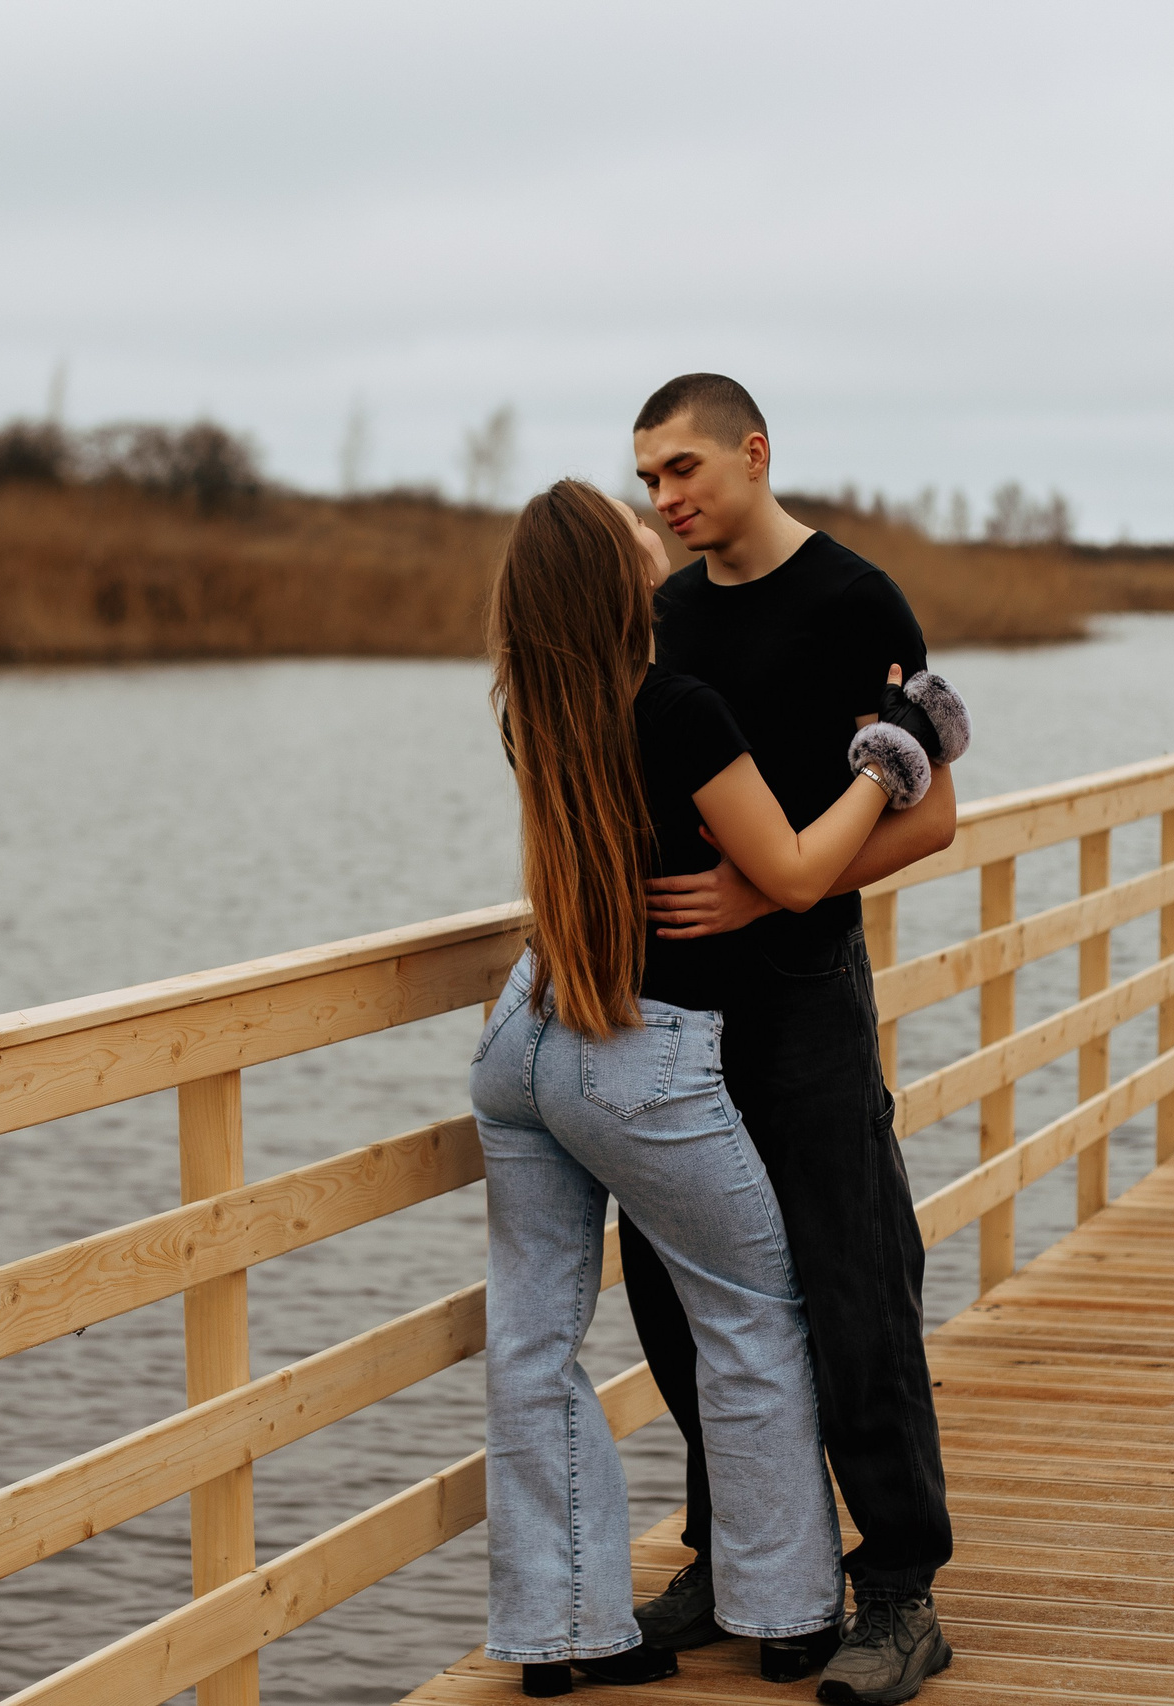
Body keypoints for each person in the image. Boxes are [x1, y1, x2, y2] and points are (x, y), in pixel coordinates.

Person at [471, 478, 946, 1697]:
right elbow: (790, 868)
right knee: (754, 1302)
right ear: (610, 577)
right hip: (633, 1048)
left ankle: (562, 1633)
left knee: (531, 1344)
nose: (654, 518)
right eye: (628, 511)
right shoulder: (674, 705)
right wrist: (892, 756)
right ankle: (787, 1611)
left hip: (527, 1035)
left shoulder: (533, 704)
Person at [624, 374, 959, 1706]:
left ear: (756, 453)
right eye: (649, 477)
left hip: (806, 993)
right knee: (681, 1285)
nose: (668, 497)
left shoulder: (858, 604)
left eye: (687, 466)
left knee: (853, 1275)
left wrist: (775, 885)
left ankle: (901, 1592)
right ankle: (736, 1555)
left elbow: (930, 816)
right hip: (670, 1008)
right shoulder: (664, 614)